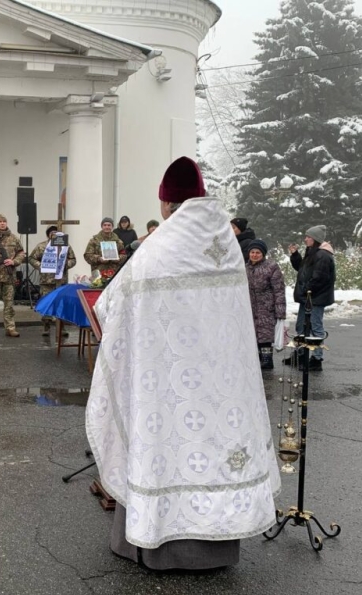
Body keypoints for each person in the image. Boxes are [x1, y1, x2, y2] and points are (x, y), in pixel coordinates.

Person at [86, 156, 280, 571]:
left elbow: (112, 304)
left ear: (166, 203)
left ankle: (155, 545)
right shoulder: (225, 242)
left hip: (167, 382)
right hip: (221, 383)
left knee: (163, 450)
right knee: (215, 450)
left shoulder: (161, 245)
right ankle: (214, 548)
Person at [287, 225, 336, 371]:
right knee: (301, 325)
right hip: (307, 297)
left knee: (315, 327)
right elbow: (302, 269)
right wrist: (295, 255)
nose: (305, 239)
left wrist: (306, 289)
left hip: (315, 298)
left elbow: (319, 278)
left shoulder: (323, 255)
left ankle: (317, 359)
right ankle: (301, 354)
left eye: (308, 237)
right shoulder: (312, 252)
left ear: (315, 239)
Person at [28, 225, 76, 336]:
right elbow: (31, 258)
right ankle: (46, 326)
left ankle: (62, 327)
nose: (53, 234)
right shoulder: (41, 246)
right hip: (47, 281)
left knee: (62, 304)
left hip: (61, 280)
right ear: (48, 234)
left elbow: (73, 259)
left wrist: (65, 265)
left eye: (56, 232)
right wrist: (41, 266)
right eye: (51, 232)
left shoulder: (65, 246)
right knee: (47, 303)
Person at [245, 239, 286, 370]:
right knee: (253, 334)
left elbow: (279, 290)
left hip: (266, 308)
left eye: (257, 252)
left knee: (265, 335)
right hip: (250, 307)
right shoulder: (245, 268)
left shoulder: (271, 267)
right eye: (252, 252)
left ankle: (267, 361)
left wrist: (280, 312)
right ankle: (258, 360)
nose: (254, 255)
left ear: (263, 254)